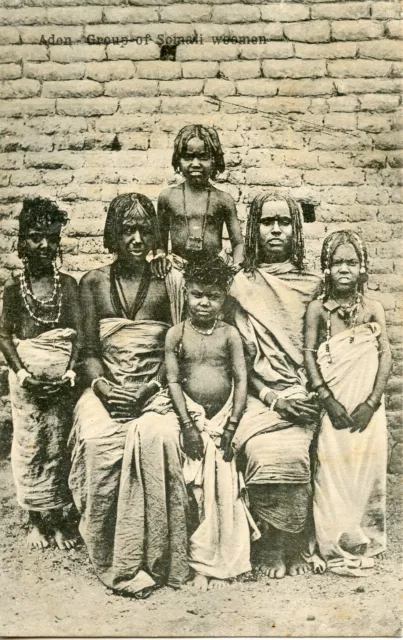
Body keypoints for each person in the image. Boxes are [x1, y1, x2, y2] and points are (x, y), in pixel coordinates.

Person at [68, 193, 189, 598]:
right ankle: (113, 558)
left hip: (155, 386)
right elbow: (87, 351)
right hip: (106, 388)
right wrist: (105, 388)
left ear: (155, 233)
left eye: (143, 230)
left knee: (160, 438)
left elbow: (177, 346)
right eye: (127, 231)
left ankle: (156, 556)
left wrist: (149, 388)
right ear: (113, 235)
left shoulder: (168, 281)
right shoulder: (93, 283)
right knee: (98, 442)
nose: (136, 239)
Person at [228, 193, 321, 578]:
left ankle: (294, 542)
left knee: (300, 449)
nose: (276, 229)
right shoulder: (242, 285)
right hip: (259, 396)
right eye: (268, 222)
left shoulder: (314, 285)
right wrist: (273, 398)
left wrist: (311, 394)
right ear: (254, 229)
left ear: (295, 230)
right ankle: (269, 545)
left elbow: (323, 352)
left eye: (284, 221)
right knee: (266, 450)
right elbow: (238, 364)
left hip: (305, 392)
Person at [162, 254, 258, 592]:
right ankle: (197, 563)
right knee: (195, 491)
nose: (205, 303)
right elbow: (173, 382)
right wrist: (188, 425)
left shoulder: (230, 334)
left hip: (222, 421)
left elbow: (242, 380)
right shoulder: (175, 335)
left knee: (223, 490)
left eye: (214, 296)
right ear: (185, 292)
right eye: (197, 294)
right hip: (192, 419)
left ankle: (223, 561)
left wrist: (231, 426)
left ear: (224, 297)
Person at [304, 230, 392, 573]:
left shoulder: (373, 309)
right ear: (326, 268)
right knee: (332, 468)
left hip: (367, 408)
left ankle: (364, 539)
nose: (344, 269)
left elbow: (385, 357)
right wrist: (328, 400)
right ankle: (333, 542)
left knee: (365, 470)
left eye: (351, 262)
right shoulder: (317, 310)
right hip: (335, 406)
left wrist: (372, 402)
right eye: (337, 262)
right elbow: (310, 356)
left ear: (362, 268)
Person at [0, 197, 81, 550]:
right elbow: (4, 335)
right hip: (28, 386)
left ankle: (61, 519)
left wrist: (69, 374)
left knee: (58, 445)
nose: (44, 245)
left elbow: (79, 336)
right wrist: (22, 374)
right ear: (21, 244)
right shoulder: (14, 290)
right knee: (30, 447)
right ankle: (36, 519)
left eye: (51, 237)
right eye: (35, 237)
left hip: (62, 385)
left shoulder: (70, 286)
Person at [152, 125, 244, 276]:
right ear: (178, 160)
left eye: (203, 157)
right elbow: (159, 243)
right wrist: (160, 256)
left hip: (215, 271)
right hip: (178, 269)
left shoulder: (223, 199)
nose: (195, 164)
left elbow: (238, 243)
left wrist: (237, 265)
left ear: (215, 160)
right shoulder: (167, 197)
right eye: (188, 157)